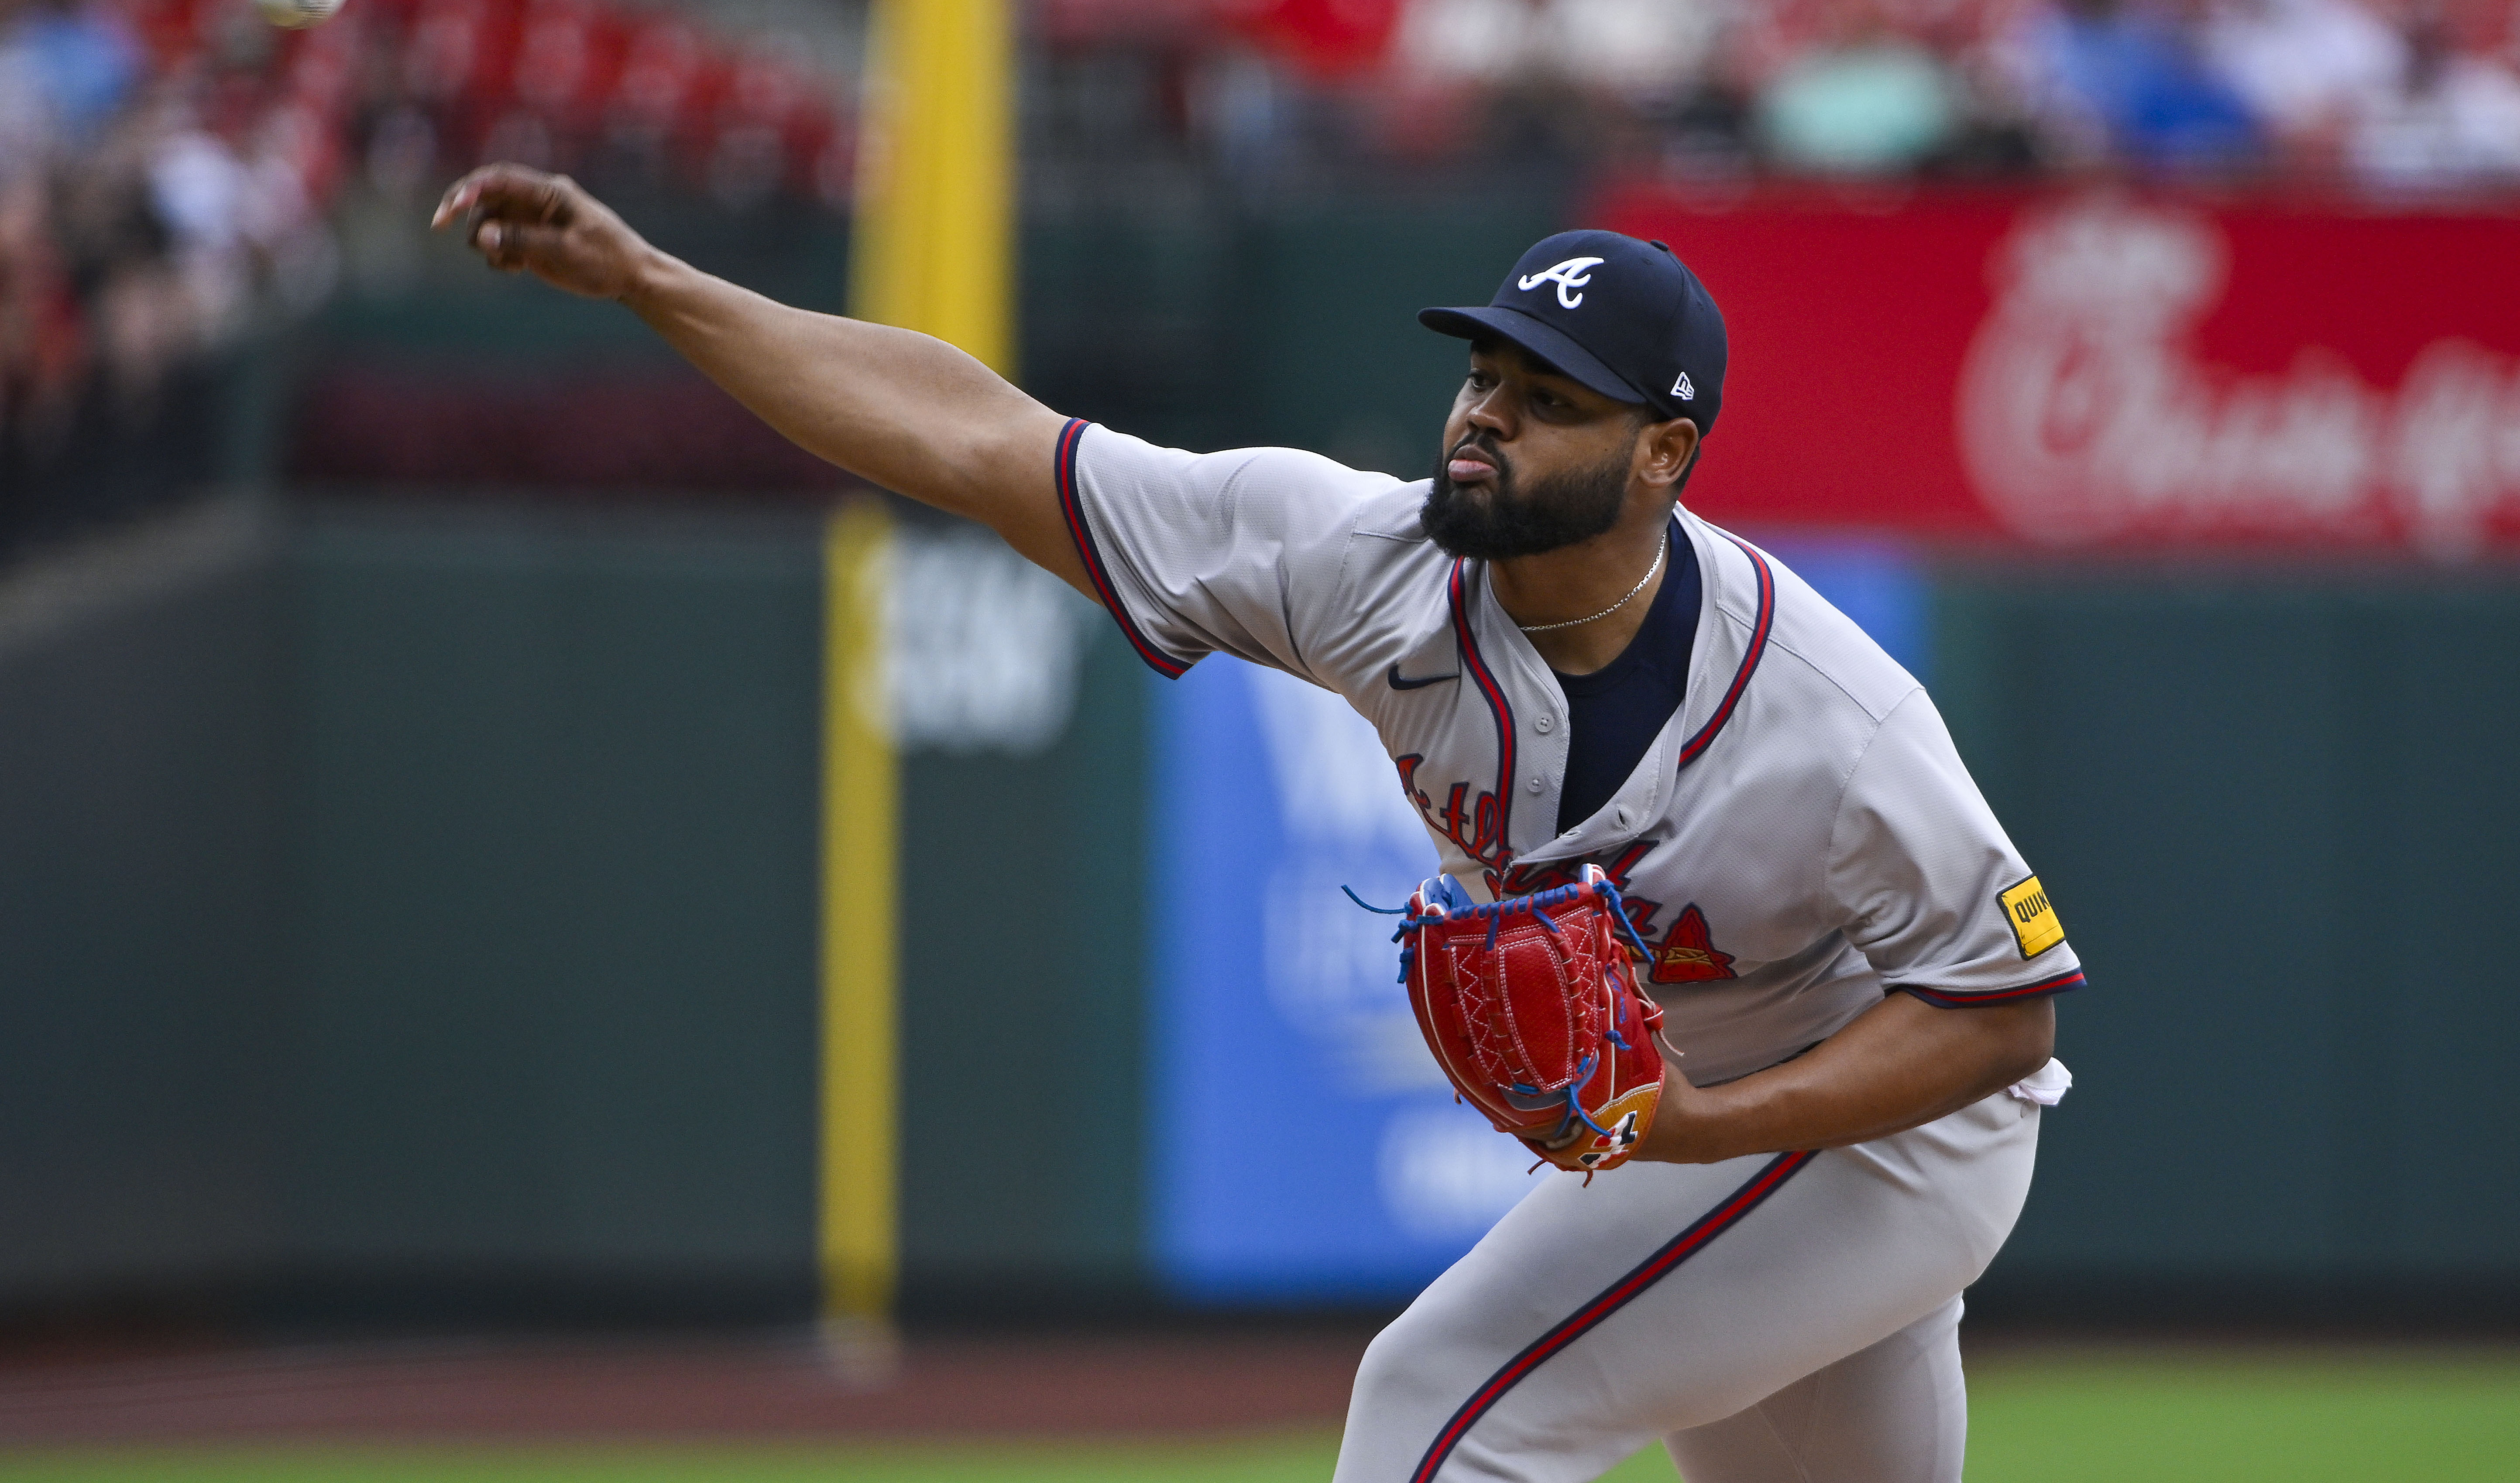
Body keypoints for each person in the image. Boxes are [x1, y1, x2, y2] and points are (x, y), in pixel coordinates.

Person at [433, 167, 2084, 1483]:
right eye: (1483, 370)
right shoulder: (1359, 560)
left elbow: (2006, 1012)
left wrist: (1715, 1127)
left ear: (1664, 452)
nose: (1484, 415)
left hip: (1881, 1132)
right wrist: (655, 282)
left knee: (1443, 1405)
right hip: (1701, 1116)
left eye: (1548, 397)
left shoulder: (1834, 717)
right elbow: (975, 435)